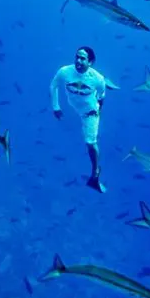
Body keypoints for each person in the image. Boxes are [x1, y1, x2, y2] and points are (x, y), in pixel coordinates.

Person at [49, 46, 107, 193]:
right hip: (72, 106)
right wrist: (56, 106)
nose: (78, 61)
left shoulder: (98, 79)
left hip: (89, 112)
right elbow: (54, 85)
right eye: (77, 57)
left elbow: (101, 96)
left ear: (90, 62)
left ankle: (95, 173)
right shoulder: (64, 72)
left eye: (83, 59)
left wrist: (98, 110)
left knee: (90, 143)